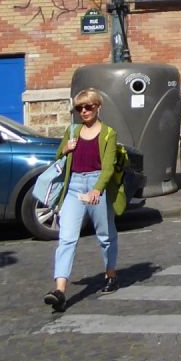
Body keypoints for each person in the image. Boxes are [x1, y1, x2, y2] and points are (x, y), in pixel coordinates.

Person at [45, 87, 131, 310]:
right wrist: (65, 149)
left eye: (88, 107)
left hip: (96, 184)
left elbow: (109, 167)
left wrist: (97, 190)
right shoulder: (72, 131)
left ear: (98, 107)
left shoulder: (108, 134)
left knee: (105, 235)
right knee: (66, 238)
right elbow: (58, 156)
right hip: (73, 187)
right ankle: (60, 291)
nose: (83, 111)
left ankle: (111, 275)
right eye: (79, 108)